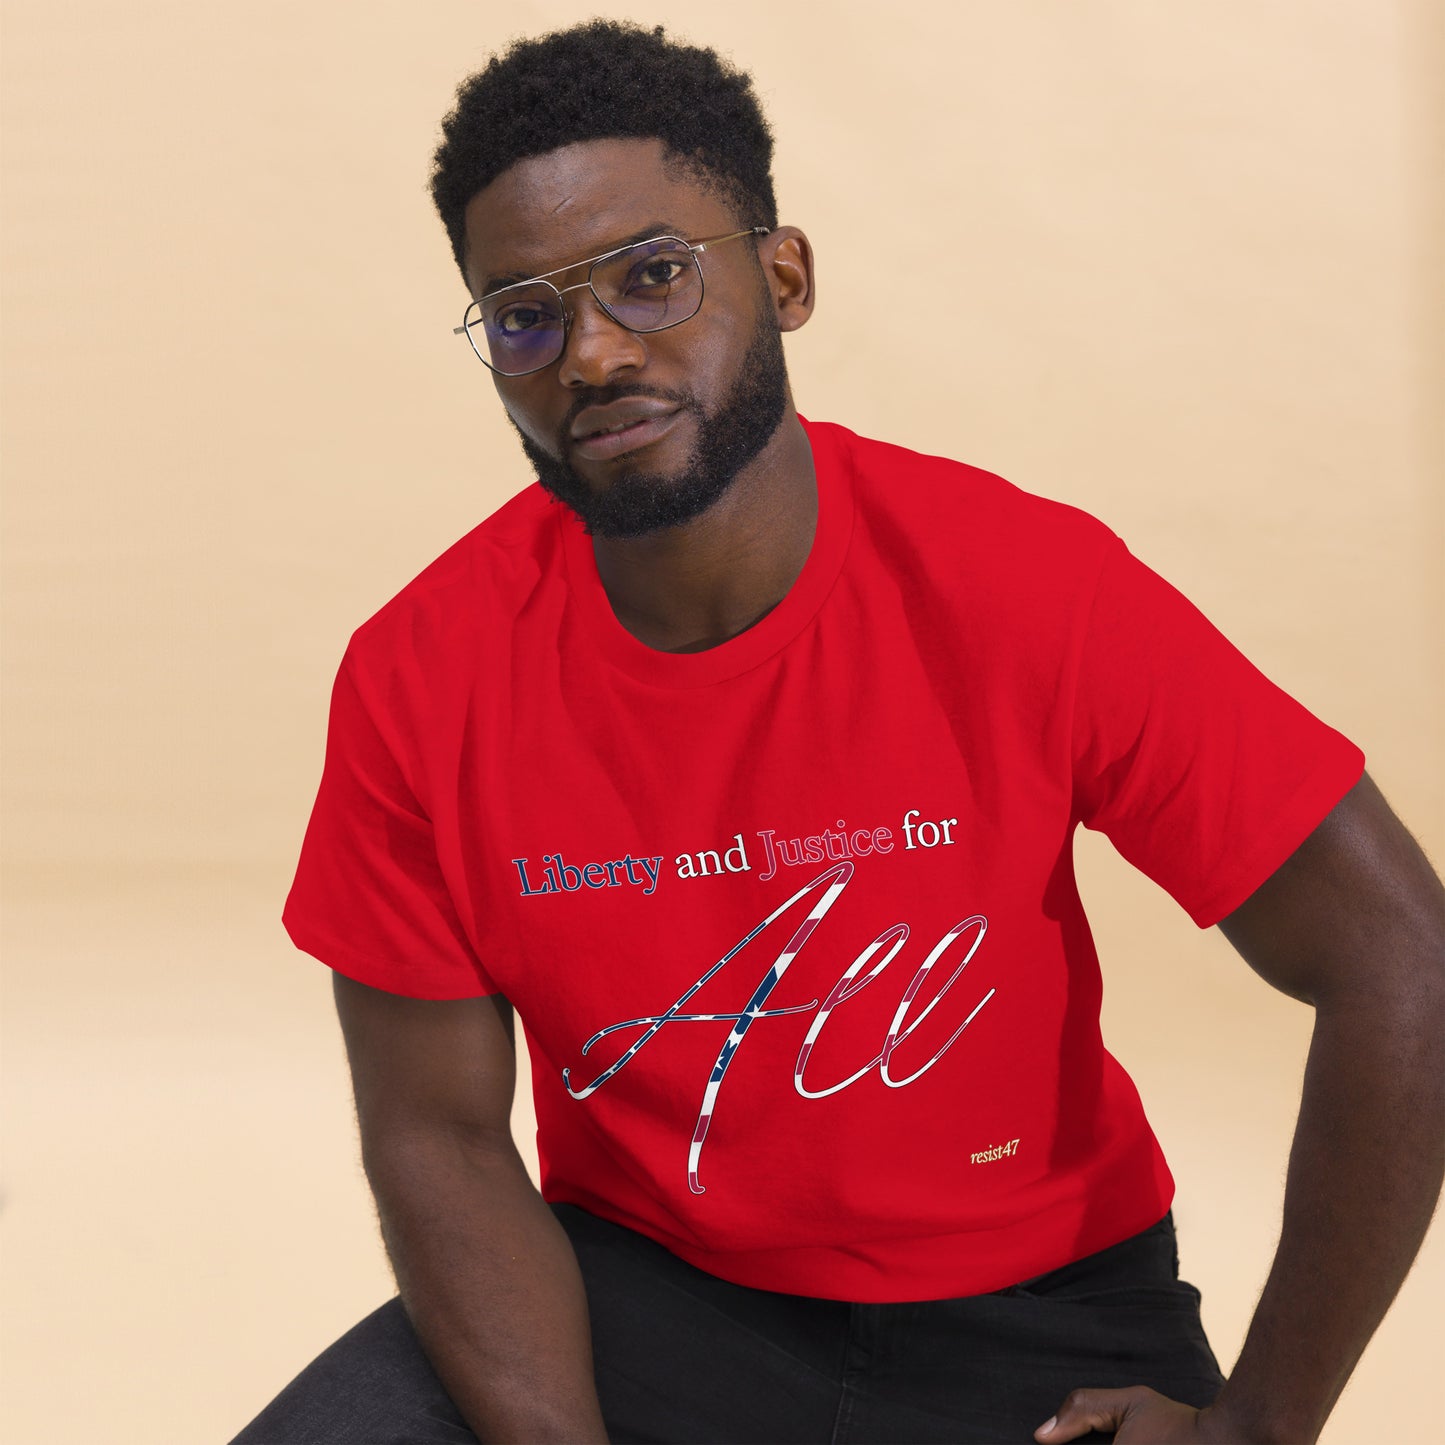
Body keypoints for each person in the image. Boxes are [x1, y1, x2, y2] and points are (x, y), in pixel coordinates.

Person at [233, 20, 1445, 1445]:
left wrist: (1260, 1423)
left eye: (652, 275)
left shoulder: (1021, 586)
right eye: (523, 316)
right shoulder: (417, 673)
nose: (594, 352)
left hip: (1035, 1322)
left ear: (784, 276)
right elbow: (434, 1129)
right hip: (645, 1299)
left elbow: (1400, 958)